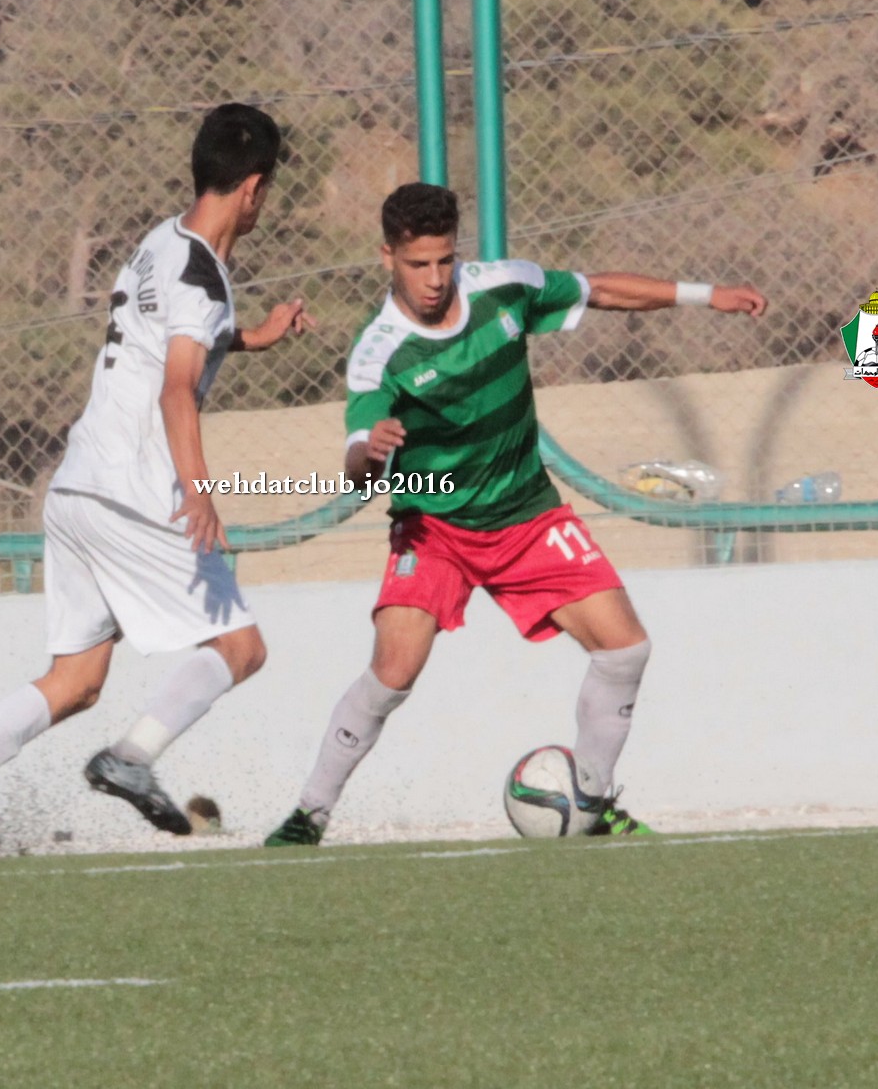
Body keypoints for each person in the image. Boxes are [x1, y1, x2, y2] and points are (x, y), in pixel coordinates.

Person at [265, 181, 766, 846]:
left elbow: (599, 290)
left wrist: (706, 295)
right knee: (393, 673)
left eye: (445, 260)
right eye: (418, 264)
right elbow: (357, 459)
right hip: (435, 531)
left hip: (528, 517)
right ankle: (309, 815)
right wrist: (371, 452)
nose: (435, 279)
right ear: (387, 257)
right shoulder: (378, 351)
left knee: (625, 650)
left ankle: (590, 803)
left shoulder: (503, 287)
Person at [0, 103, 312, 859]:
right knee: (242, 646)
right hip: (135, 493)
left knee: (79, 679)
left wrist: (256, 336)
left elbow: (173, 340)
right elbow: (177, 388)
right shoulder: (205, 282)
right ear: (254, 187)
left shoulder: (163, 240)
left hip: (78, 486)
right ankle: (130, 759)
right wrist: (200, 492)